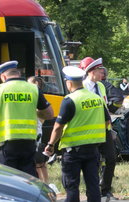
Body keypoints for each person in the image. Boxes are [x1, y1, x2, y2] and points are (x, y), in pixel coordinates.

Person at [44, 66, 109, 202]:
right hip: (93, 149)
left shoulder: (70, 100)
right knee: (93, 185)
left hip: (73, 150)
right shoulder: (96, 98)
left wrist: (50, 145)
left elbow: (58, 127)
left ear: (69, 83)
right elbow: (107, 121)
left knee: (72, 186)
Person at [0, 61, 54, 176]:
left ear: (3, 76)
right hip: (29, 142)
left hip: (7, 143)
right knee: (29, 178)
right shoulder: (33, 89)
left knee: (9, 180)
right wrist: (33, 112)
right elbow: (49, 114)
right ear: (18, 74)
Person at [79, 57, 118, 201]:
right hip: (89, 131)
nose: (101, 73)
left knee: (111, 159)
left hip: (104, 129)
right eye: (98, 70)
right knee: (93, 162)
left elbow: (104, 107)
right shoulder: (82, 86)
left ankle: (106, 190)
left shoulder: (100, 86)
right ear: (90, 71)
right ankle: (93, 191)